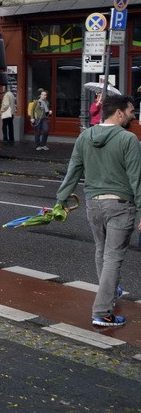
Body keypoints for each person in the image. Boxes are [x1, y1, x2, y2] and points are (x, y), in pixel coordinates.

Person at [54, 94, 141, 328]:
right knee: (113, 257)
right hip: (120, 205)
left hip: (94, 204)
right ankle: (102, 312)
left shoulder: (85, 137)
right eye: (132, 111)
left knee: (102, 251)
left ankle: (110, 291)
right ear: (119, 113)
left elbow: (73, 170)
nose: (134, 115)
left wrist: (61, 200)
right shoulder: (128, 139)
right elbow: (137, 179)